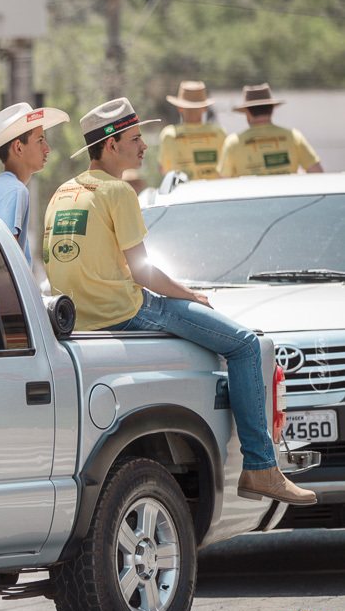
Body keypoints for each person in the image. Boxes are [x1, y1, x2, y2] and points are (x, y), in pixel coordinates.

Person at [43, 97, 316, 506]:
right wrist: (191, 295)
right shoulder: (118, 191)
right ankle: (261, 468)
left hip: (82, 319)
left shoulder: (62, 192)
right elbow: (144, 274)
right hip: (127, 312)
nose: (144, 146)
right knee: (245, 345)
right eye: (136, 139)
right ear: (112, 145)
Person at [0, 102, 69, 265]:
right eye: (40, 140)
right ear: (18, 148)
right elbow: (5, 262)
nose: (47, 148)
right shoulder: (14, 190)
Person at [218, 83, 323, 177]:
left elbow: (223, 182)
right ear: (272, 109)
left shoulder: (233, 143)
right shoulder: (294, 136)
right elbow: (317, 173)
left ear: (247, 112)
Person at [158, 80, 226, 180]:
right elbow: (227, 170)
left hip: (183, 189)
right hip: (215, 189)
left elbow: (164, 169)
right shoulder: (219, 133)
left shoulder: (169, 134)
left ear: (179, 107)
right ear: (205, 107)